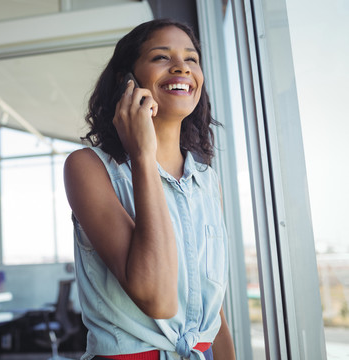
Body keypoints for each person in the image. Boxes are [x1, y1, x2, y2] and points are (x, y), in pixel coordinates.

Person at [63, 19, 236, 360]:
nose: (181, 68)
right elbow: (158, 297)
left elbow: (213, 312)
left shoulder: (206, 180)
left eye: (192, 59)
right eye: (161, 57)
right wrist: (143, 156)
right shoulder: (88, 168)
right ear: (126, 81)